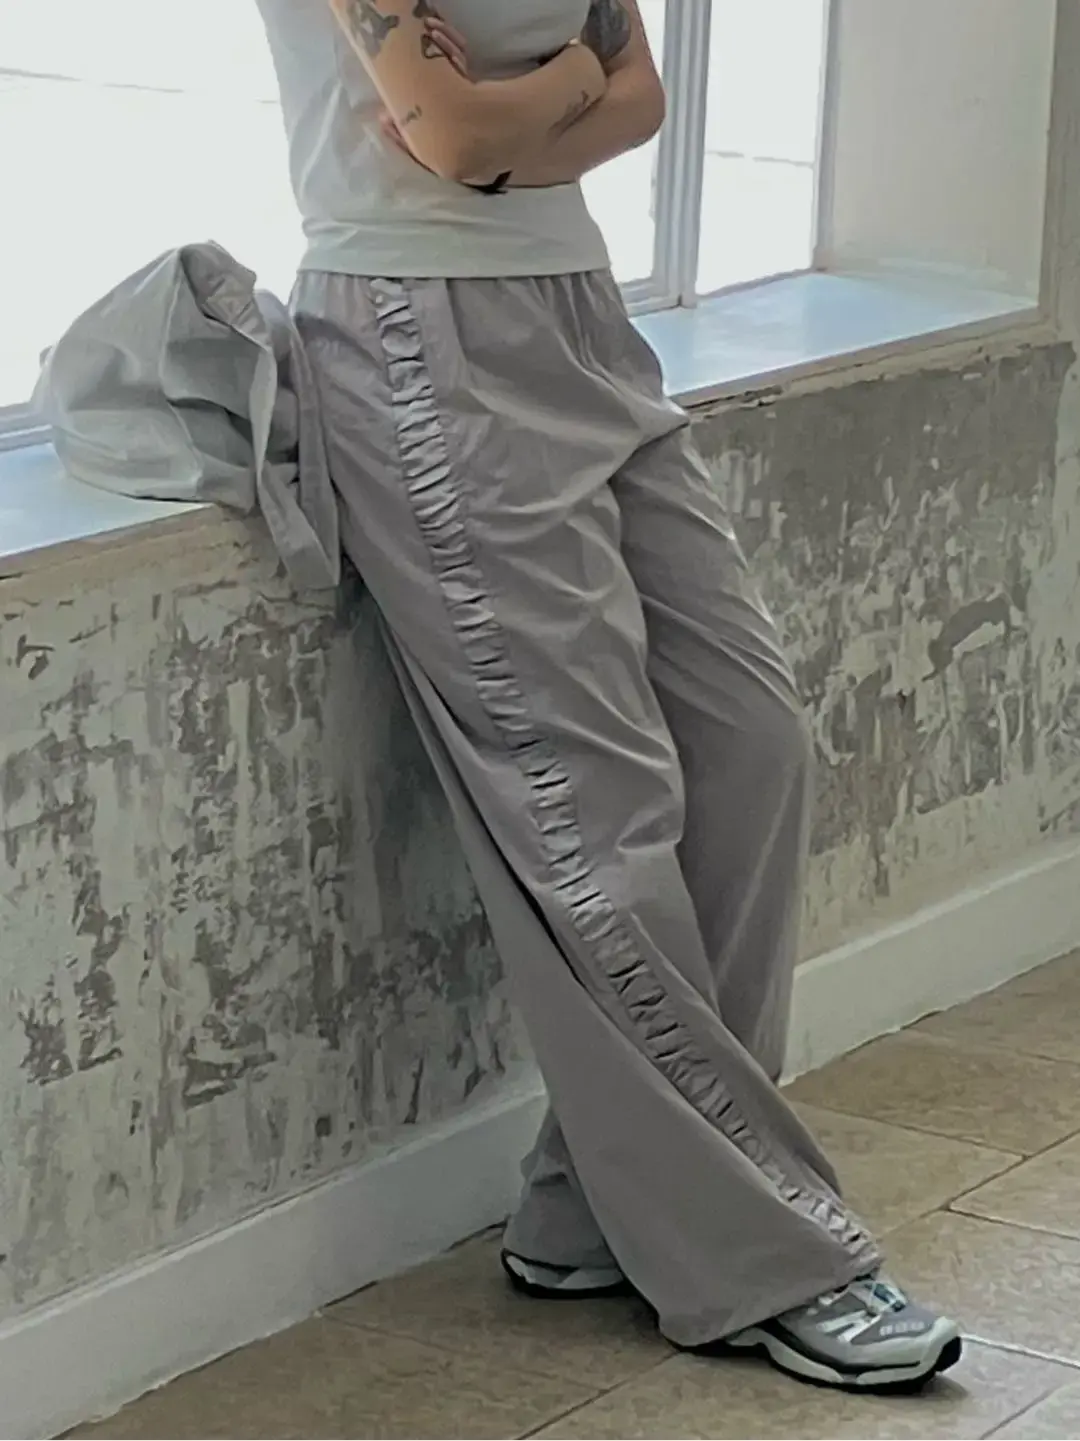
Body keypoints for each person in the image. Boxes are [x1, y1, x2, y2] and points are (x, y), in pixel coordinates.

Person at [254, 0, 962, 1390]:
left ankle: (588, 1210)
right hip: (415, 328)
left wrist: (545, 93)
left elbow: (638, 101)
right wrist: (571, 80)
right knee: (594, 816)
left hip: (583, 312)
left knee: (754, 746)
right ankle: (769, 1254)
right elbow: (458, 140)